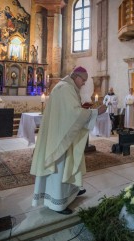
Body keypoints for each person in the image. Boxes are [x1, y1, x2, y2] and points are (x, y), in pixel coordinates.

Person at [30, 66, 107, 215]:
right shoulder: (65, 88)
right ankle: (57, 202)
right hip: (60, 135)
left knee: (68, 163)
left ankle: (71, 191)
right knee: (60, 165)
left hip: (61, 131)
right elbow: (74, 114)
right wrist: (96, 112)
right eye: (83, 80)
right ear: (76, 77)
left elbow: (71, 111)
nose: (83, 83)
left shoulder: (65, 86)